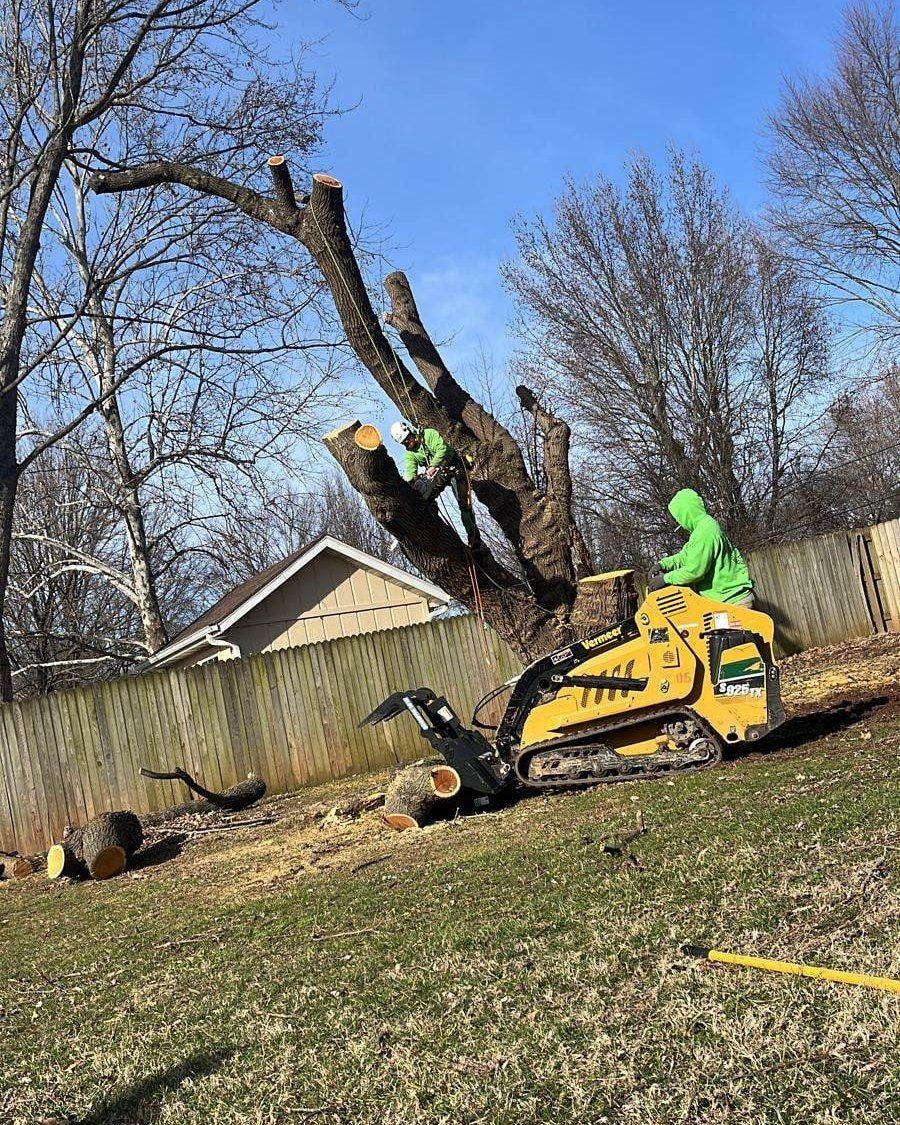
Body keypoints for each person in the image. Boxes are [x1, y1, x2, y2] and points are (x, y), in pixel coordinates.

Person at [649, 488, 754, 607]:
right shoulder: (703, 528)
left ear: (686, 513)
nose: (679, 522)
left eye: (678, 517)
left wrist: (666, 579)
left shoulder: (705, 532)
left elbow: (694, 571)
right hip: (726, 599)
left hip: (732, 600)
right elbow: (685, 556)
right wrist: (663, 564)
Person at [389, 420, 480, 546]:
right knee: (425, 500)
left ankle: (474, 539)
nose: (407, 443)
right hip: (439, 475)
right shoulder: (410, 454)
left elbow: (442, 449)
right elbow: (410, 472)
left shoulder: (429, 435)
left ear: (411, 432)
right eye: (403, 443)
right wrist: (408, 484)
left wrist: (432, 465)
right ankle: (435, 530)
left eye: (407, 440)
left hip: (454, 467)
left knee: (464, 503)